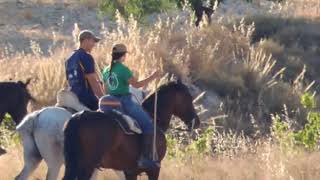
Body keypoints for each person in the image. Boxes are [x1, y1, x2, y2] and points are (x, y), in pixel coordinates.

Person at [101, 43, 160, 169]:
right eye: (125, 55)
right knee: (148, 125)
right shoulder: (123, 69)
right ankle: (145, 158)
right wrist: (153, 77)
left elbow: (105, 87)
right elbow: (137, 85)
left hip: (109, 102)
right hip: (124, 101)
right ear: (123, 56)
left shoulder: (106, 70)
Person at [65, 30, 104, 111]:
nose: (94, 45)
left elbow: (68, 81)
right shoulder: (86, 56)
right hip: (87, 99)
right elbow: (93, 81)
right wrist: (103, 99)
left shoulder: (69, 59)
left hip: (73, 97)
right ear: (86, 40)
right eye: (93, 41)